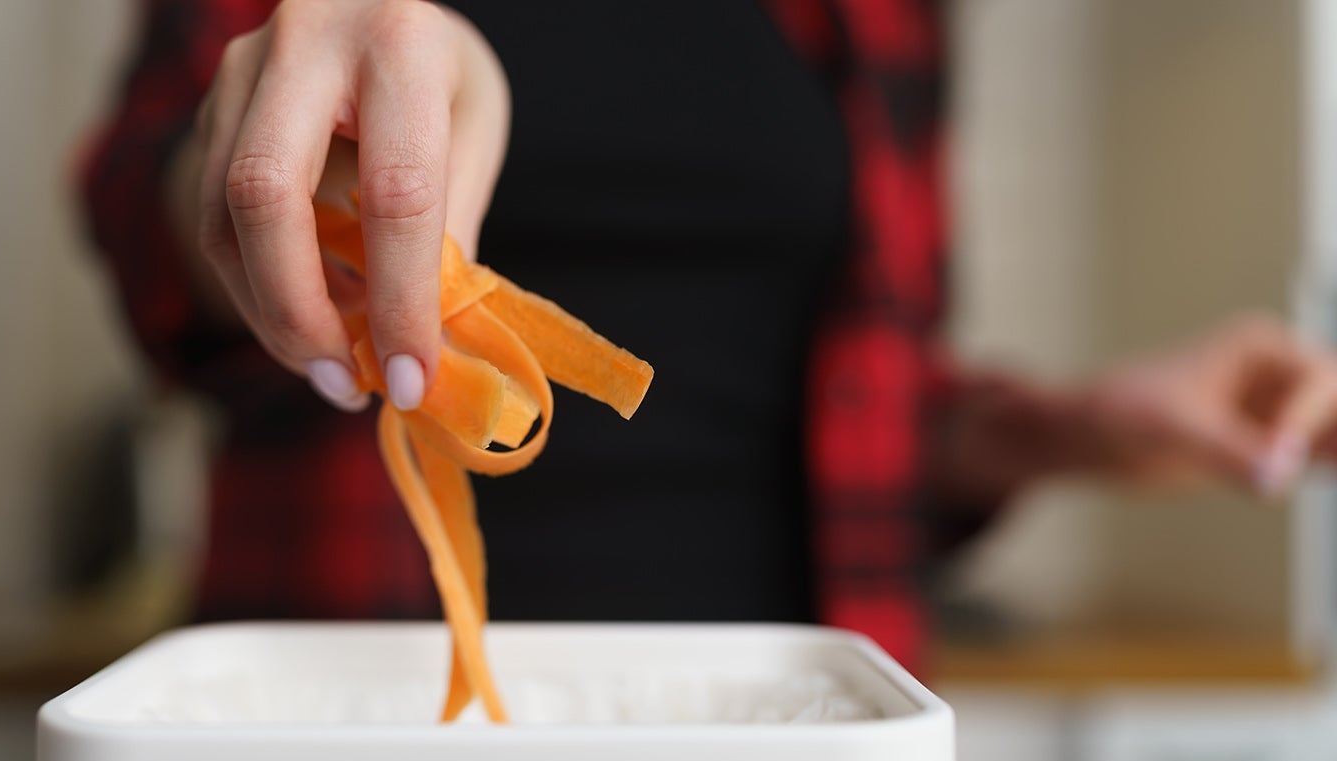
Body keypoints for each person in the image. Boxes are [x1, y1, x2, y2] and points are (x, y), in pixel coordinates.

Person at [81, 0, 1337, 675]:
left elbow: (860, 391)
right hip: (353, 752)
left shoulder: (882, 17)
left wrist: (1063, 430)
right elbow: (148, 213)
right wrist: (271, 175)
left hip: (780, 756)